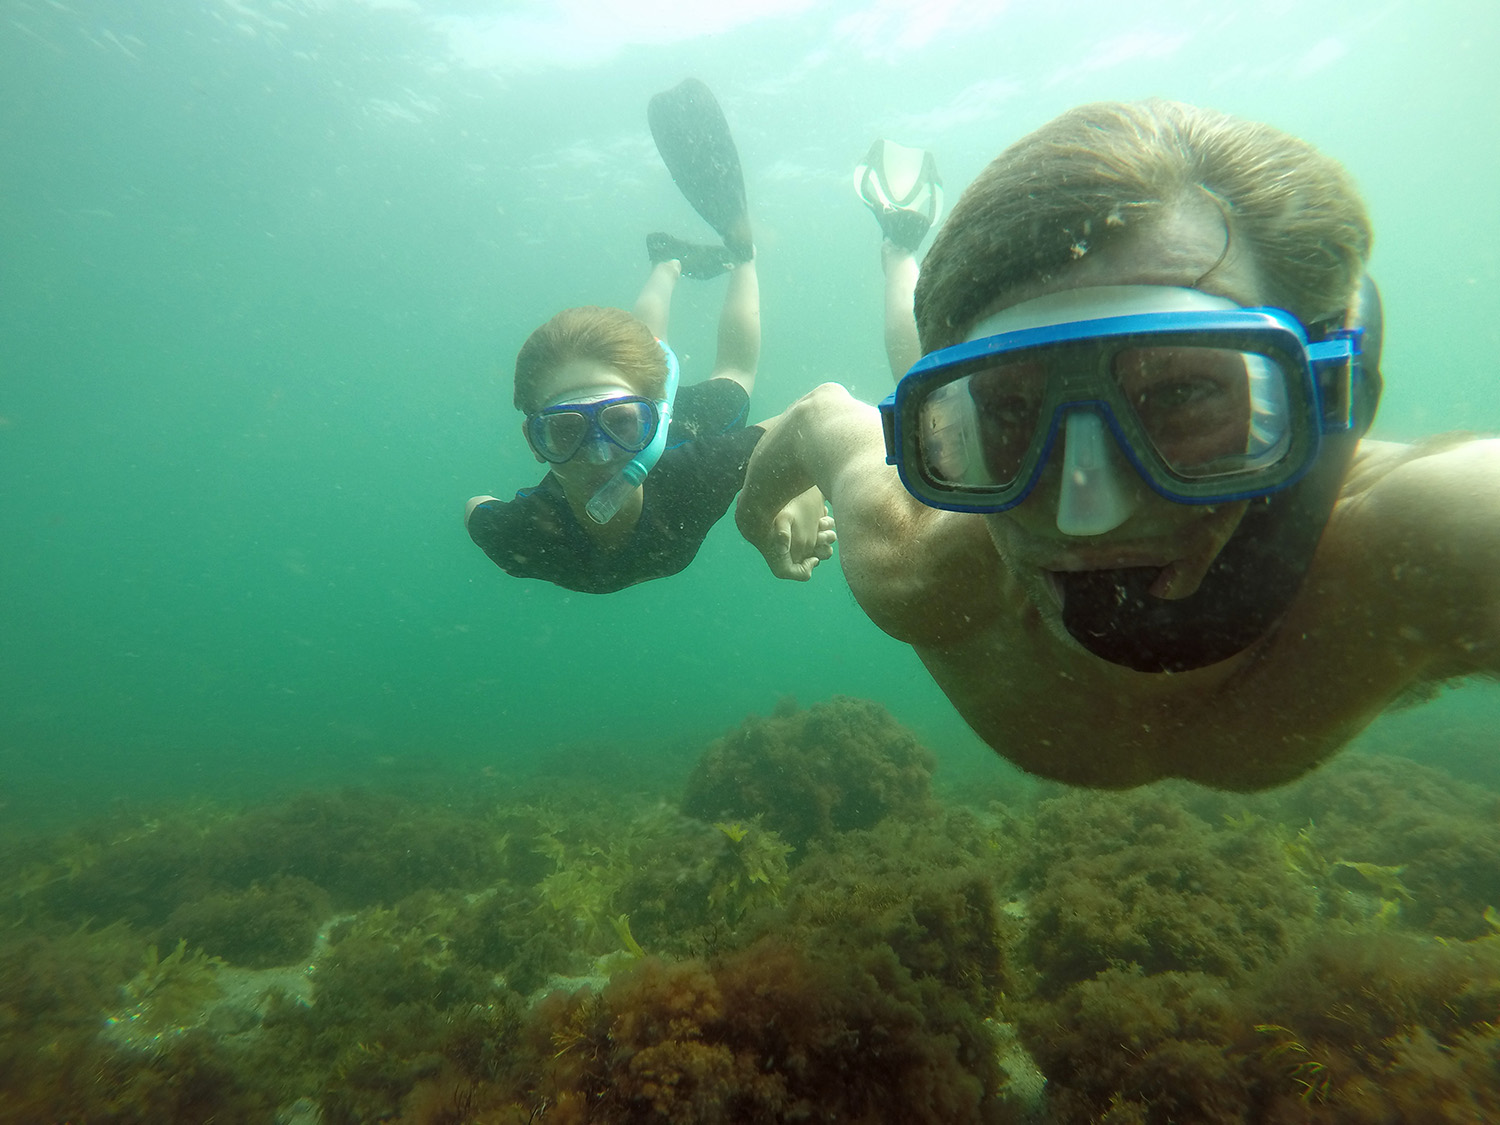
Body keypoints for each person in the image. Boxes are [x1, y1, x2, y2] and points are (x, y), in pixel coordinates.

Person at [736, 99, 1499, 790]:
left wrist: (760, 518)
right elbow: (818, 418)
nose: (1085, 515)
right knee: (930, 375)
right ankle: (902, 252)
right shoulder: (920, 564)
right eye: (1008, 409)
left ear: (1325, 397)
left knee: (973, 377)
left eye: (1178, 393)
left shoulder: (1427, 540)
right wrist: (758, 516)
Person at [466, 79, 833, 594]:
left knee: (731, 376)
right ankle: (670, 262)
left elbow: (824, 418)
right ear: (535, 442)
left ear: (655, 410)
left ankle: (731, 255)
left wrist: (793, 482)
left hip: (682, 427)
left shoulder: (697, 471)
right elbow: (476, 512)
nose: (598, 455)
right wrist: (796, 468)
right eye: (566, 432)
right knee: (655, 362)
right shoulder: (521, 533)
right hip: (652, 415)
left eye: (618, 423)